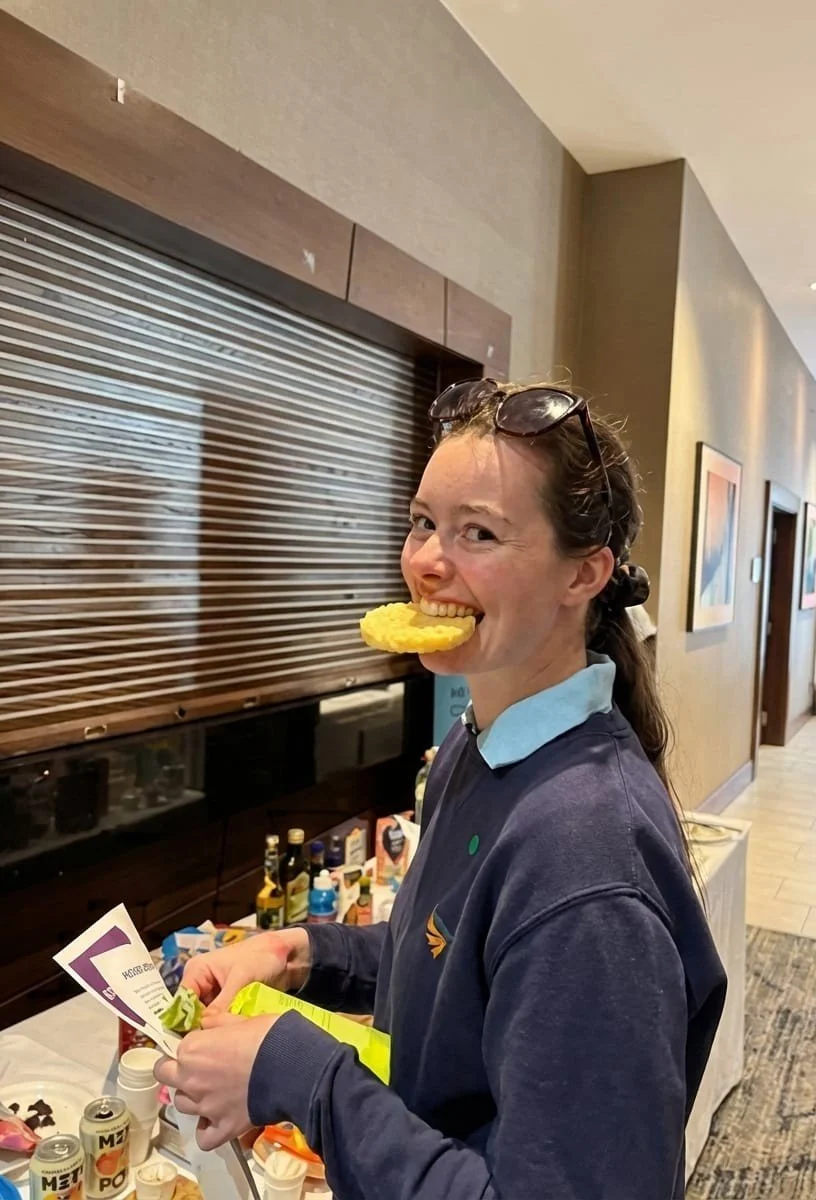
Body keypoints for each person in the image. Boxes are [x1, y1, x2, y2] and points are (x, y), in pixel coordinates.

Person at [156, 378, 726, 1199]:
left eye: (478, 532)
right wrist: (304, 954)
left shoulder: (586, 865)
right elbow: (454, 953)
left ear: (584, 575)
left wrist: (306, 1079)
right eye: (423, 521)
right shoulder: (474, 744)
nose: (426, 562)